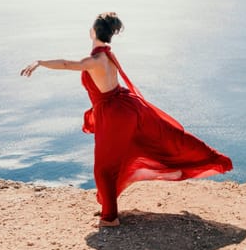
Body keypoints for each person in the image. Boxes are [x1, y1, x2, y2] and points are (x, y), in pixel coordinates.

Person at [21, 12, 233, 227]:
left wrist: (40, 62)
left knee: (105, 167)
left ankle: (110, 218)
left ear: (93, 32)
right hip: (126, 106)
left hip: (115, 114)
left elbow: (67, 64)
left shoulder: (95, 60)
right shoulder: (108, 54)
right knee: (163, 136)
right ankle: (212, 157)